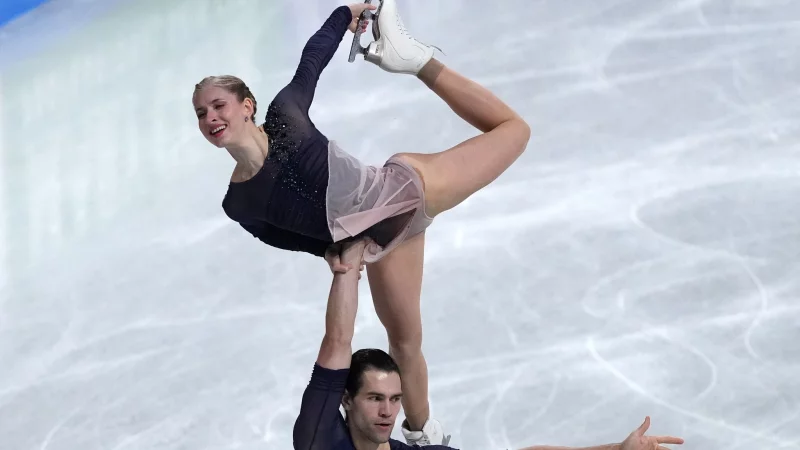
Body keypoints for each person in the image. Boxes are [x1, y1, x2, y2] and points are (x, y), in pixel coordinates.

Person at [192, 0, 531, 443]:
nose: (210, 118)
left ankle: (416, 60)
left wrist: (345, 13)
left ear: (247, 106)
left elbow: (312, 59)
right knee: (406, 341)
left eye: (218, 106)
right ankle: (421, 432)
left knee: (514, 130)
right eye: (201, 113)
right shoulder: (238, 204)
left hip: (407, 190)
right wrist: (335, 250)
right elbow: (285, 237)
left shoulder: (286, 115)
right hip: (382, 244)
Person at [295, 237, 686, 450]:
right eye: (375, 398)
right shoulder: (320, 439)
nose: (387, 412)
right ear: (345, 399)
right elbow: (338, 341)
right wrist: (348, 263)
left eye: (395, 399)